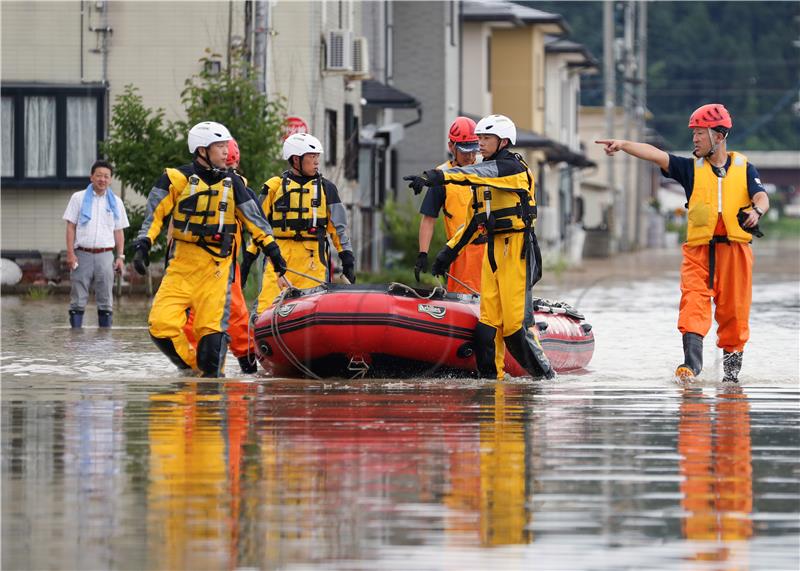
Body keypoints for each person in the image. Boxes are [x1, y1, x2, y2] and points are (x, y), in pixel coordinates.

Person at [596, 103, 769, 382]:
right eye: (694, 134)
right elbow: (657, 155)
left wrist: (756, 211)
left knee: (735, 317)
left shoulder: (745, 168)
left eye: (700, 133)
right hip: (699, 252)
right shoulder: (689, 169)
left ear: (719, 136)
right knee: (692, 305)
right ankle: (690, 367)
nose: (695, 139)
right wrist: (624, 144)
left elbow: (761, 196)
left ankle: (731, 378)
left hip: (735, 252)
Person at [404, 114, 554, 380]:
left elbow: (471, 173)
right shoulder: (486, 179)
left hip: (516, 251)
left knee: (515, 329)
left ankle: (545, 381)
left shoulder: (511, 169)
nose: (479, 143)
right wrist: (447, 252)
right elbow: (475, 221)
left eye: (486, 138)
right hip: (493, 254)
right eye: (478, 138)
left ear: (503, 141)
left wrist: (434, 176)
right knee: (486, 329)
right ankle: (491, 386)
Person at [132, 121, 287, 378]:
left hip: (217, 271)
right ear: (202, 149)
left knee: (212, 336)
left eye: (226, 145)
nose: (226, 151)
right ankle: (192, 370)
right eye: (219, 146)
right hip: (181, 266)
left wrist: (274, 253)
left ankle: (210, 392)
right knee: (160, 325)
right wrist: (143, 244)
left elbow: (256, 222)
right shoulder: (176, 178)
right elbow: (155, 216)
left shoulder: (234, 184)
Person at [181, 138, 260, 374]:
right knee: (226, 316)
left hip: (217, 264)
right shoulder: (237, 187)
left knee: (210, 316)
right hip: (207, 264)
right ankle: (241, 366)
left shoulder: (196, 184)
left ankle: (211, 367)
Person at [254, 132, 355, 314]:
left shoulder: (327, 189)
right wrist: (249, 256)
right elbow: (257, 225)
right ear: (295, 159)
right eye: (312, 157)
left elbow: (338, 229)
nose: (317, 161)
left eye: (317, 157)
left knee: (312, 310)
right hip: (279, 258)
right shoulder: (274, 187)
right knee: (265, 310)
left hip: (313, 260)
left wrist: (347, 257)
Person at [415, 117, 484, 294]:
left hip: (489, 249)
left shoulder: (486, 171)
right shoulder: (441, 177)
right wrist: (423, 253)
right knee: (464, 299)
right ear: (451, 147)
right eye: (464, 151)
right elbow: (428, 219)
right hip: (460, 254)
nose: (470, 157)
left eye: (473, 151)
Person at [63, 160, 130, 328]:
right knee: (77, 297)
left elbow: (119, 231)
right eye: (99, 175)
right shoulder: (78, 198)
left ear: (111, 179)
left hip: (106, 255)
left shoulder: (116, 202)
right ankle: (76, 339)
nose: (102, 179)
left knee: (106, 299)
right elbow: (71, 227)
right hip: (82, 253)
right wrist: (70, 253)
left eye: (106, 176)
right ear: (91, 177)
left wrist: (120, 257)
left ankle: (105, 341)